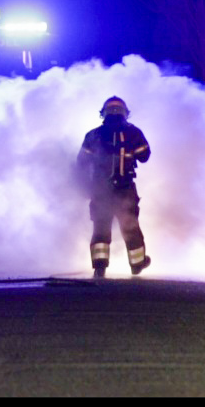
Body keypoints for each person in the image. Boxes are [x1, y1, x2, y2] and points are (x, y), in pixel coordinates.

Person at [76, 96, 151, 280]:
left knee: (100, 228)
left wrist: (86, 186)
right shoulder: (133, 132)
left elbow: (82, 162)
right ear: (125, 113)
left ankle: (99, 268)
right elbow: (144, 156)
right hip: (125, 188)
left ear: (104, 113)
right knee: (130, 227)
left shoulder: (93, 135)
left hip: (100, 190)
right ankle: (137, 264)